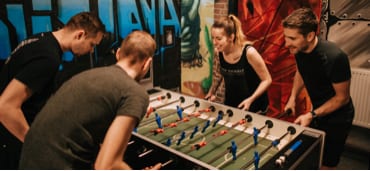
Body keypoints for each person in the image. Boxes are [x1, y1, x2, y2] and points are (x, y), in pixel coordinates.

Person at [19, 30, 161, 170]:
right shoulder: (135, 93)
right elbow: (106, 166)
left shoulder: (87, 75)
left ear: (118, 54)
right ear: (147, 63)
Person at [0, 12, 105, 169]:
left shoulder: (40, 39)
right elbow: (5, 106)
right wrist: (35, 145)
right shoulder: (48, 58)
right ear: (80, 35)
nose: (91, 51)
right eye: (92, 44)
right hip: (11, 143)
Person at [282, 8, 354, 169]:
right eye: (286, 37)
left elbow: (342, 99)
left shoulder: (335, 57)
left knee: (326, 164)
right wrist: (293, 98)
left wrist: (311, 114)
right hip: (317, 112)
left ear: (309, 36)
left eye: (292, 38)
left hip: (338, 118)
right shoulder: (299, 50)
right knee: (313, 157)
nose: (286, 43)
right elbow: (301, 72)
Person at [205, 14, 272, 113]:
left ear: (231, 37)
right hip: (231, 104)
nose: (214, 42)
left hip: (255, 107)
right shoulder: (218, 52)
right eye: (213, 38)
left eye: (218, 39)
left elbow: (267, 80)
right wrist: (211, 92)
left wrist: (251, 99)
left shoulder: (249, 53)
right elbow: (219, 73)